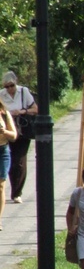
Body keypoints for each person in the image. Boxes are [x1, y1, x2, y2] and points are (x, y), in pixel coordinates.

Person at [1, 71, 37, 204]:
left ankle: (17, 192)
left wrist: (21, 111)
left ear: (16, 83)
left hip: (22, 130)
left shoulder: (23, 92)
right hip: (7, 131)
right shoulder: (1, 95)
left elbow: (35, 109)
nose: (10, 89)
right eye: (7, 86)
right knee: (9, 160)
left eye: (12, 86)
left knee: (20, 161)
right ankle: (9, 187)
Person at [0, 98, 17, 229]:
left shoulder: (4, 114)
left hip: (3, 151)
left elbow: (14, 135)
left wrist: (4, 132)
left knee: (1, 186)